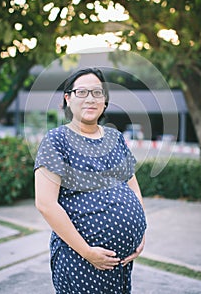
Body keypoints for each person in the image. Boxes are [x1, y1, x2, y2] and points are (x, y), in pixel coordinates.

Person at [34, 67, 147, 294]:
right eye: (82, 92)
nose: (90, 99)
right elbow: (46, 204)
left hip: (121, 262)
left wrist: (141, 231)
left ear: (105, 101)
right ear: (68, 99)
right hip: (80, 260)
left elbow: (132, 185)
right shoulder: (57, 141)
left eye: (97, 93)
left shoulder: (115, 138)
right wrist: (87, 252)